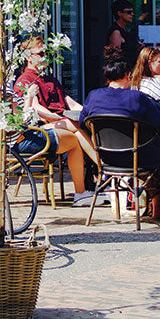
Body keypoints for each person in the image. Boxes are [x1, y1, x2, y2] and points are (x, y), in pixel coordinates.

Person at [80, 48, 160, 209]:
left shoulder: (93, 96)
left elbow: (83, 124)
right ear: (128, 75)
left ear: (106, 78)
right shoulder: (136, 98)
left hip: (105, 158)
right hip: (138, 157)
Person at [13, 37, 95, 205]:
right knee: (77, 125)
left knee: (80, 132)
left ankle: (85, 189)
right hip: (39, 128)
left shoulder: (51, 79)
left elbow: (69, 102)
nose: (45, 57)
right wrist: (60, 118)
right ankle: (105, 170)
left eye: (46, 53)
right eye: (41, 53)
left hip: (59, 124)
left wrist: (90, 112)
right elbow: (36, 110)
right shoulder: (25, 81)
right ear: (28, 57)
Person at [106, 0, 139, 71]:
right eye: (129, 12)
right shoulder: (116, 32)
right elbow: (115, 58)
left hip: (130, 69)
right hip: (122, 72)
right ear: (119, 13)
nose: (132, 14)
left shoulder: (126, 30)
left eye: (132, 12)